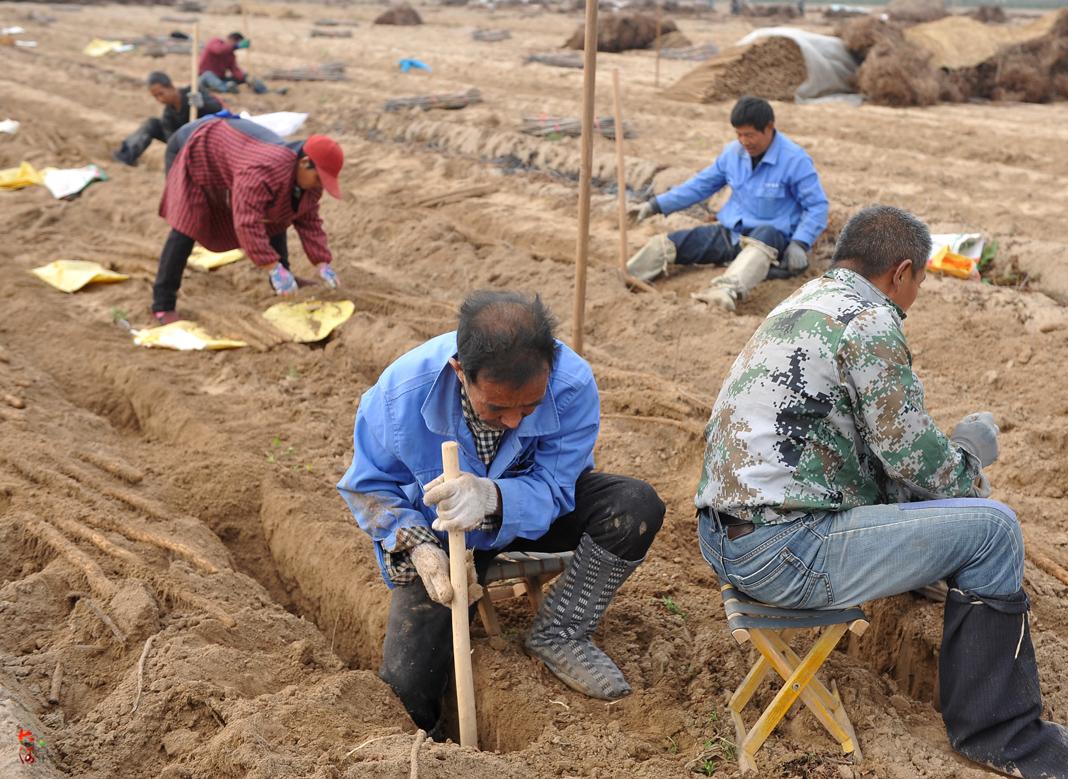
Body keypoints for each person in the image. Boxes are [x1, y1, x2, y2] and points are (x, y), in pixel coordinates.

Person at [694, 205, 1068, 778]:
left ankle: (939, 594)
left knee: (921, 503)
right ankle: (1001, 732)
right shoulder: (869, 320)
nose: (915, 294)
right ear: (901, 272)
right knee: (994, 528)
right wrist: (971, 461)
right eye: (920, 280)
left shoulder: (802, 304)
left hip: (725, 539)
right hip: (785, 553)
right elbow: (910, 455)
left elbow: (871, 452)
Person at [338, 291, 665, 739]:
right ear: (461, 373)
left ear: (548, 371)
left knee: (634, 508)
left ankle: (561, 632)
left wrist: (493, 497)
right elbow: (367, 485)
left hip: (535, 514)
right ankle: (426, 749)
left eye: (528, 408)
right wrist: (416, 547)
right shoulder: (400, 393)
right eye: (496, 408)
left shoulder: (570, 385)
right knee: (407, 687)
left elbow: (556, 487)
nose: (514, 422)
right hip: (445, 536)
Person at [627, 95, 828, 311]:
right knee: (668, 245)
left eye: (749, 135)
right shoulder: (732, 154)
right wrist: (655, 205)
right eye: (739, 134)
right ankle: (626, 274)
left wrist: (800, 243)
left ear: (769, 127)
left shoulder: (794, 160)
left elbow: (817, 206)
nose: (744, 141)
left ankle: (724, 293)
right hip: (732, 233)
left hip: (771, 242)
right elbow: (700, 185)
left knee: (766, 235)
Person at [151, 116, 343, 324]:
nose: (319, 185)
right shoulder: (263, 170)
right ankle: (163, 304)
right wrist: (271, 266)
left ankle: (281, 277)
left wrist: (322, 261)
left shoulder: (307, 180)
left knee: (279, 210)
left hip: (229, 154)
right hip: (192, 147)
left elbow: (308, 219)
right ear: (305, 163)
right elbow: (247, 222)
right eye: (319, 178)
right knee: (187, 224)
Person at [112, 72, 224, 167]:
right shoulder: (168, 115)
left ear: (171, 87)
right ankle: (127, 155)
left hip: (207, 137)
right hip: (185, 142)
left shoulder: (193, 92)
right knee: (151, 124)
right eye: (156, 97)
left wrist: (202, 104)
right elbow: (171, 141)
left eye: (161, 94)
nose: (160, 99)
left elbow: (218, 108)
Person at [197, 32, 271, 95]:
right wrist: (235, 46)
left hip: (220, 79)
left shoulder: (231, 55)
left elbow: (234, 70)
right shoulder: (215, 42)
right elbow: (218, 50)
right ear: (230, 40)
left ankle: (264, 90)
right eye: (236, 43)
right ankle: (226, 89)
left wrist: (245, 78)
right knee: (208, 75)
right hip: (204, 78)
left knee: (246, 76)